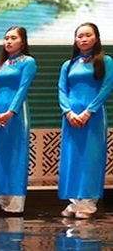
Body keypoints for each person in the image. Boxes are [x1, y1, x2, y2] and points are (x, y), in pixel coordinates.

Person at [57, 22, 112, 219]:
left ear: (96, 38)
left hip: (93, 117)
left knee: (91, 158)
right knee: (72, 158)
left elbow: (106, 87)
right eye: (80, 36)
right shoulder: (68, 65)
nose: (84, 39)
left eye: (88, 35)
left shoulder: (105, 61)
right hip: (71, 118)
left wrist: (89, 112)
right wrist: (68, 112)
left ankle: (88, 204)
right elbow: (62, 90)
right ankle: (74, 202)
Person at [0, 25, 36, 214]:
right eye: (6, 38)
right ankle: (3, 201)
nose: (8, 41)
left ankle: (16, 204)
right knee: (1, 155)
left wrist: (10, 112)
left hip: (16, 114)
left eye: (13, 38)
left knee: (16, 154)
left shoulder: (28, 62)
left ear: (22, 42)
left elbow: (23, 88)